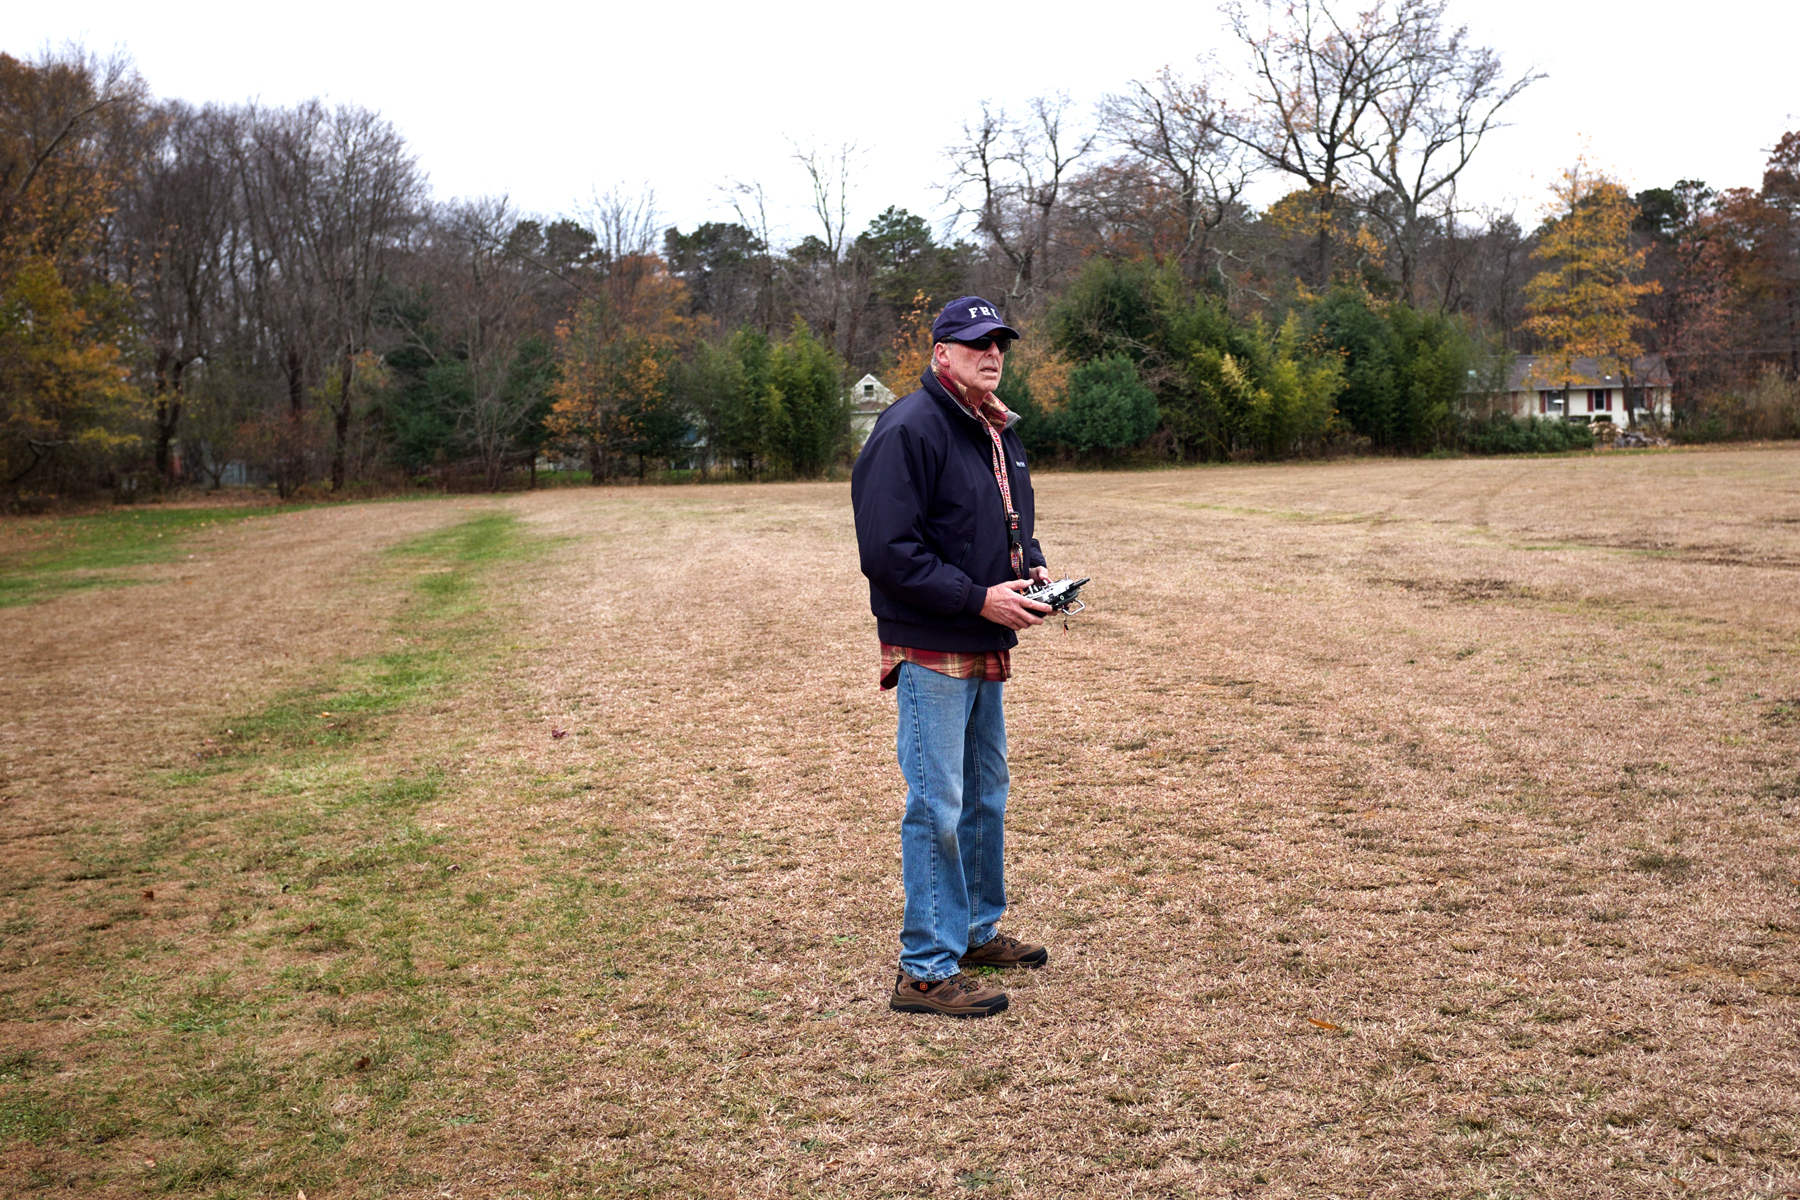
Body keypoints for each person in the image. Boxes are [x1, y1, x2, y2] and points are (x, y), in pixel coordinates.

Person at [850, 295, 1055, 1018]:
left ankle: (973, 934)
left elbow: (1004, 520)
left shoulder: (993, 427)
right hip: (933, 641)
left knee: (983, 796)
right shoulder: (909, 426)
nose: (991, 353)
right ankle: (925, 971)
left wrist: (1031, 566)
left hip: (981, 636)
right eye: (975, 343)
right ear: (941, 353)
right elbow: (888, 551)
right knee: (938, 805)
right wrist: (978, 598)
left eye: (999, 343)